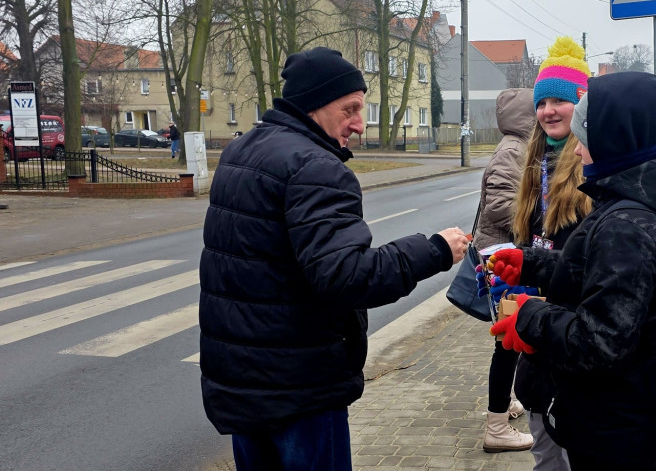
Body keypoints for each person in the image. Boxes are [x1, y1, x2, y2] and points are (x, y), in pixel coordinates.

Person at [198, 47, 469, 471]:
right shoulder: (315, 166)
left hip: (242, 386)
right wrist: (433, 249)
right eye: (350, 109)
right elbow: (346, 277)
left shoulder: (241, 152)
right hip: (300, 388)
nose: (359, 125)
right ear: (313, 105)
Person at [489, 71, 656, 470]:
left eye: (584, 137)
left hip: (611, 420)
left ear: (612, 137)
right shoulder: (634, 203)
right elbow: (607, 274)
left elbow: (600, 340)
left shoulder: (626, 225)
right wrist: (534, 263)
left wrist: (529, 315)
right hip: (620, 412)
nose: (576, 151)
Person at [507, 35, 592, 470]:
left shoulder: (592, 165)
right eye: (541, 104)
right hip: (539, 322)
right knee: (543, 444)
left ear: (582, 103)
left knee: (574, 444)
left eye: (560, 101)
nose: (548, 112)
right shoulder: (534, 160)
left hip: (575, 328)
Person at [473, 87, 535, 453]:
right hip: (501, 260)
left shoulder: (518, 146)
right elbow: (499, 206)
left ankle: (506, 402)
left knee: (510, 339)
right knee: (508, 342)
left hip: (504, 256)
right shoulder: (514, 150)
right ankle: (496, 426)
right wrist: (535, 223)